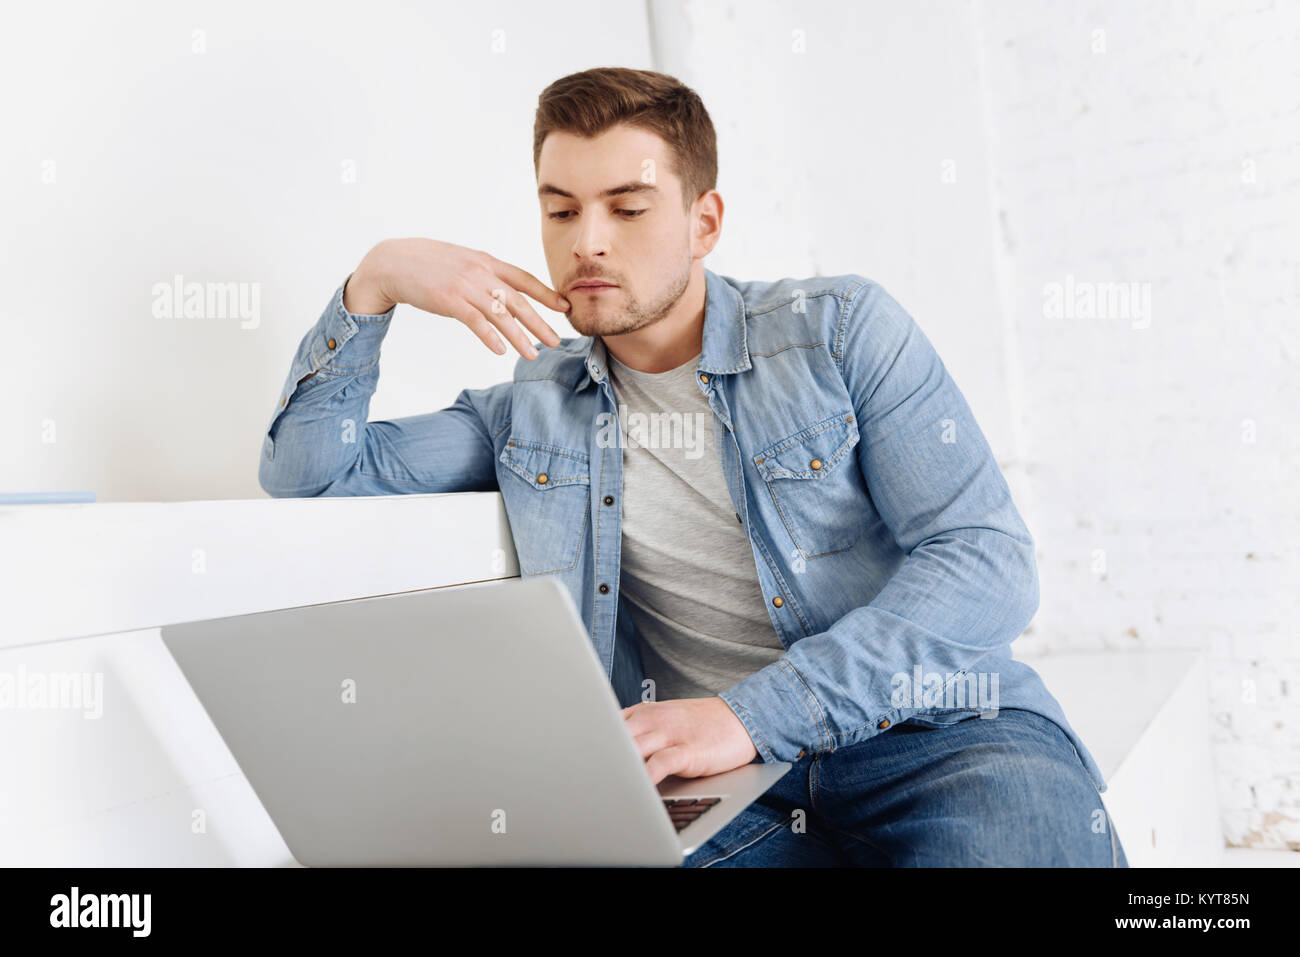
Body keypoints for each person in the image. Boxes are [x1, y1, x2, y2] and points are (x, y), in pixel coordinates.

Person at [259, 66, 1126, 867]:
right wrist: (372, 284)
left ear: (704, 220)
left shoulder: (840, 331)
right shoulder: (530, 409)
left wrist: (753, 715)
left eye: (627, 208)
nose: (587, 243)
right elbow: (313, 475)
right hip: (717, 787)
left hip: (938, 737)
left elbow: (986, 560)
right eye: (561, 211)